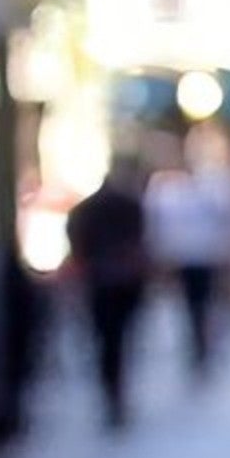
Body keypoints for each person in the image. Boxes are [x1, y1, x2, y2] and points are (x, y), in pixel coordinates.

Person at [146, 130, 230, 374]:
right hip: (185, 256)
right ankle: (198, 346)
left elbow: (229, 217)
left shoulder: (215, 185)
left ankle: (207, 345)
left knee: (206, 303)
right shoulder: (167, 188)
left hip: (209, 256)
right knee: (192, 306)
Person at [65, 158, 150, 430]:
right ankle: (115, 392)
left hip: (102, 283)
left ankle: (111, 391)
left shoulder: (86, 210)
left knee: (107, 340)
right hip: (121, 282)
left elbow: (77, 244)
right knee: (118, 340)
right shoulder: (129, 206)